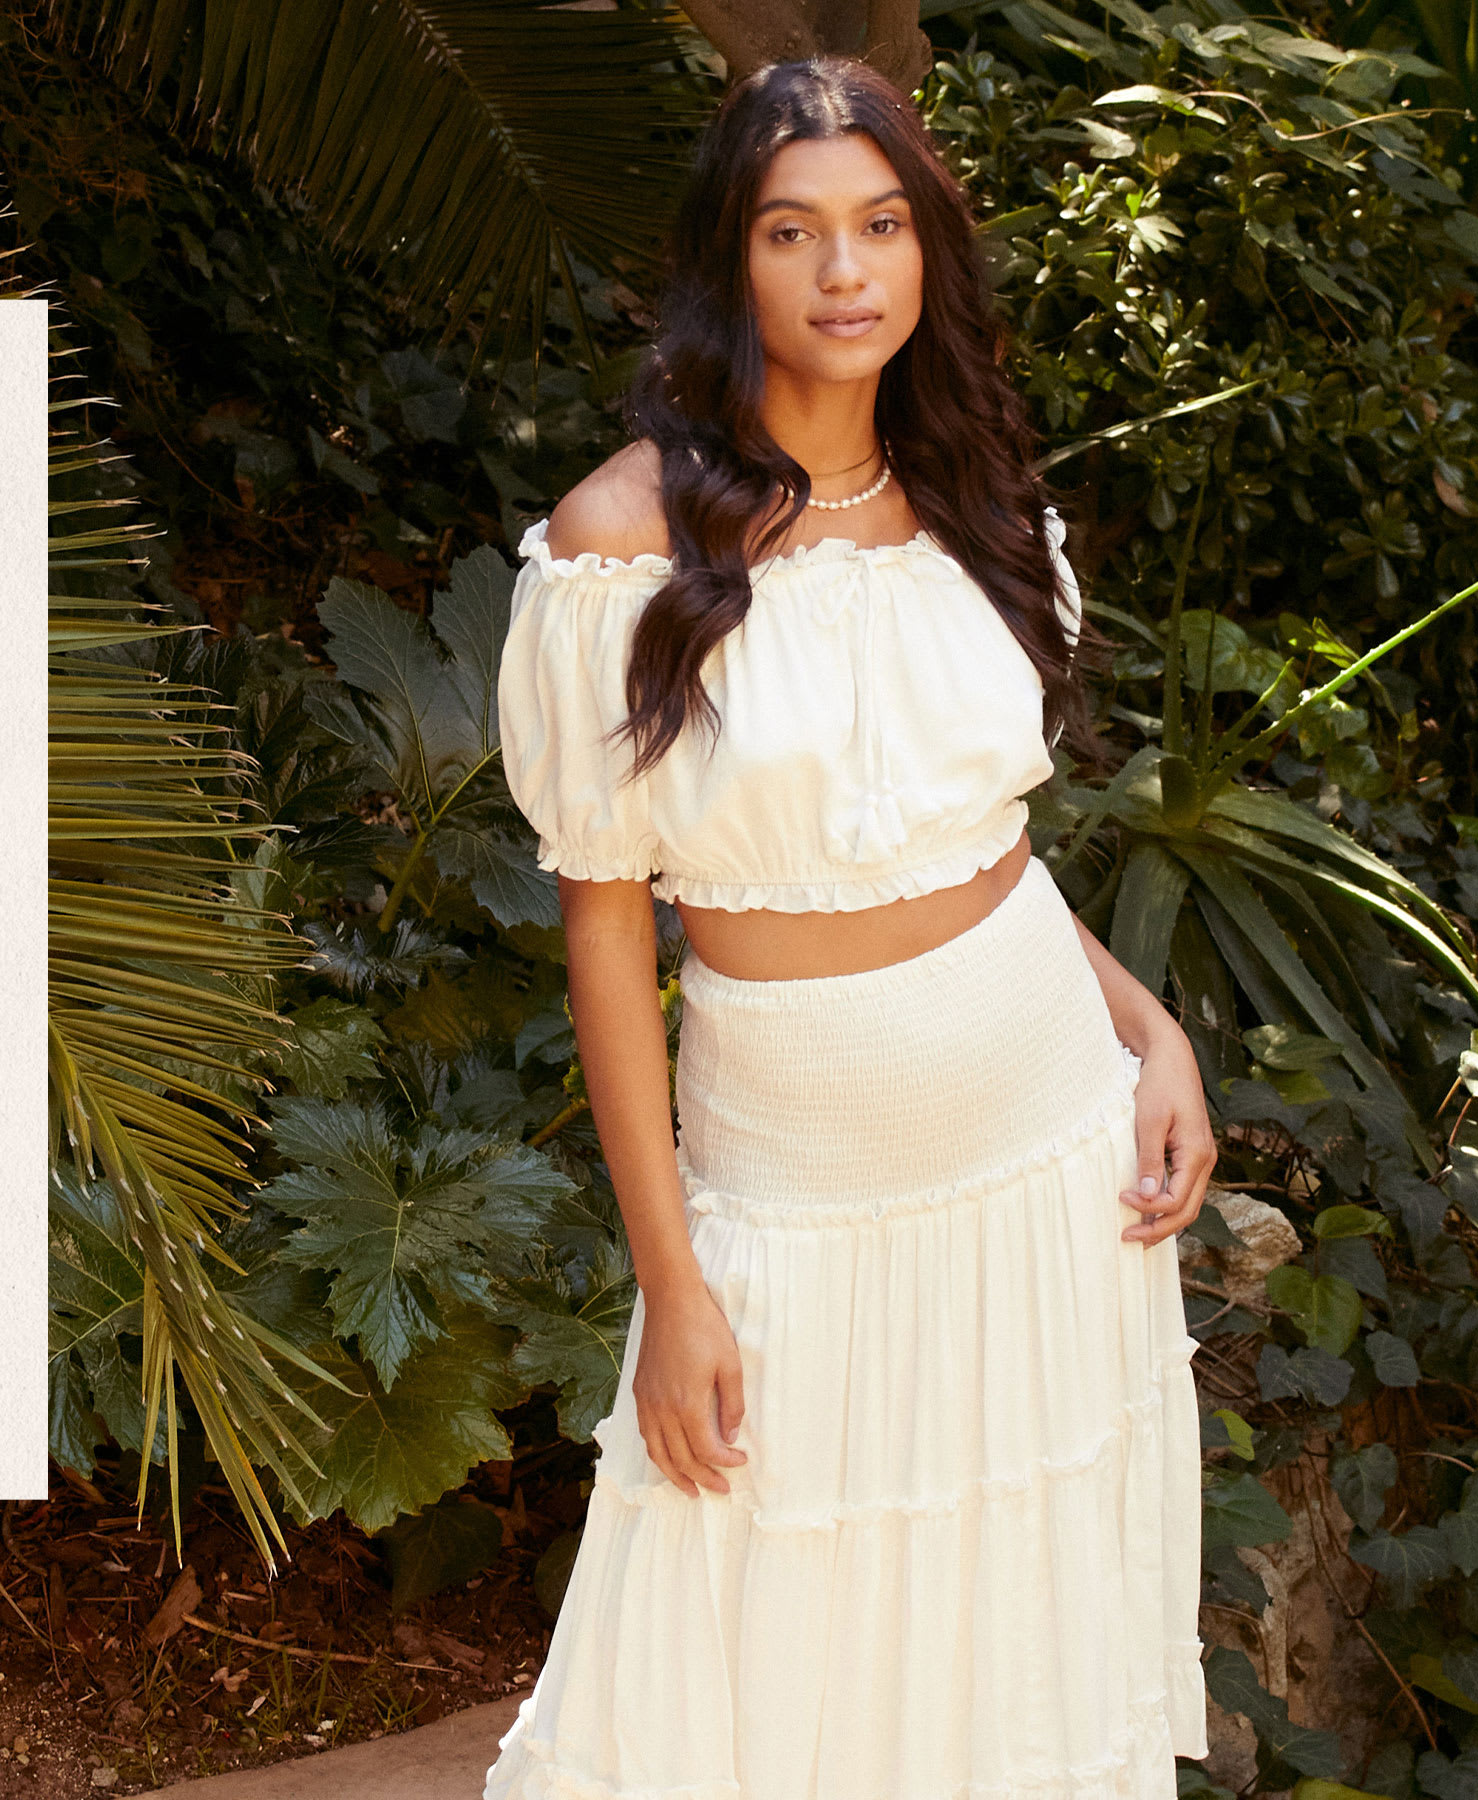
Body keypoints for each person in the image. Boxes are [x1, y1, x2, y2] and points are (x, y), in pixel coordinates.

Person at [481, 57, 1215, 1799]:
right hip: (791, 1200)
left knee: (1013, 1648)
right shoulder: (620, 548)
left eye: (880, 225)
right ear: (728, 263)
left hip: (1051, 1162)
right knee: (740, 1655)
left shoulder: (975, 500)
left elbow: (978, 852)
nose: (843, 274)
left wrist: (1148, 1030)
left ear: (925, 249)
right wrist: (672, 1286)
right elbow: (606, 937)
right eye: (793, 231)